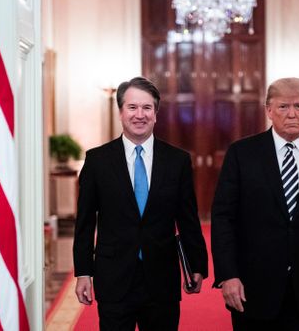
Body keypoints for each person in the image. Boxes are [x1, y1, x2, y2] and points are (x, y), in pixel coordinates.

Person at [211, 77, 299, 330]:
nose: (291, 114)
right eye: (283, 107)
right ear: (268, 110)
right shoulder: (242, 154)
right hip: (253, 287)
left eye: (298, 106)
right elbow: (224, 218)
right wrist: (227, 275)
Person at [73, 76, 208, 330]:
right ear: (121, 112)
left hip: (161, 279)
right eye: (132, 107)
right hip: (113, 277)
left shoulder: (177, 161)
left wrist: (197, 264)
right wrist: (83, 272)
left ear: (156, 114)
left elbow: (188, 218)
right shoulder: (97, 160)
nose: (140, 115)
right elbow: (85, 223)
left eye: (147, 108)